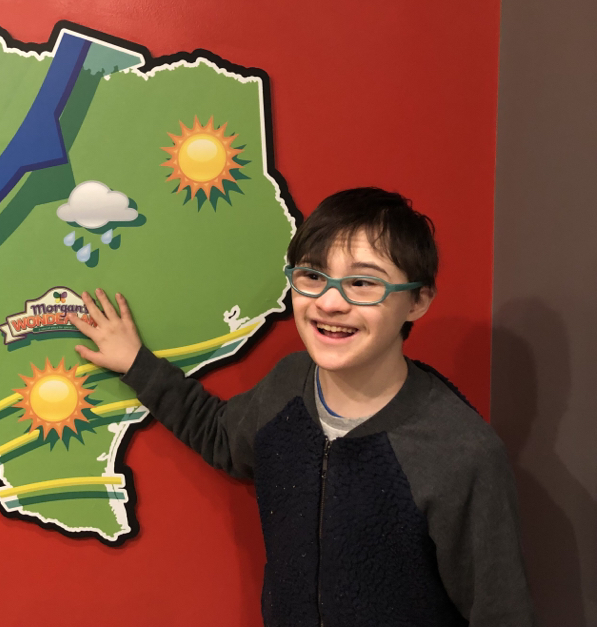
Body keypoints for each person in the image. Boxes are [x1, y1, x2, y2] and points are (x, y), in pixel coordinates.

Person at [67, 187, 534, 627]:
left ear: (417, 301)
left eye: (364, 283)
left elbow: (500, 613)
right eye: (312, 276)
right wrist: (136, 363)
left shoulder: (461, 452)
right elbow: (220, 435)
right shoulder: (288, 387)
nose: (330, 302)